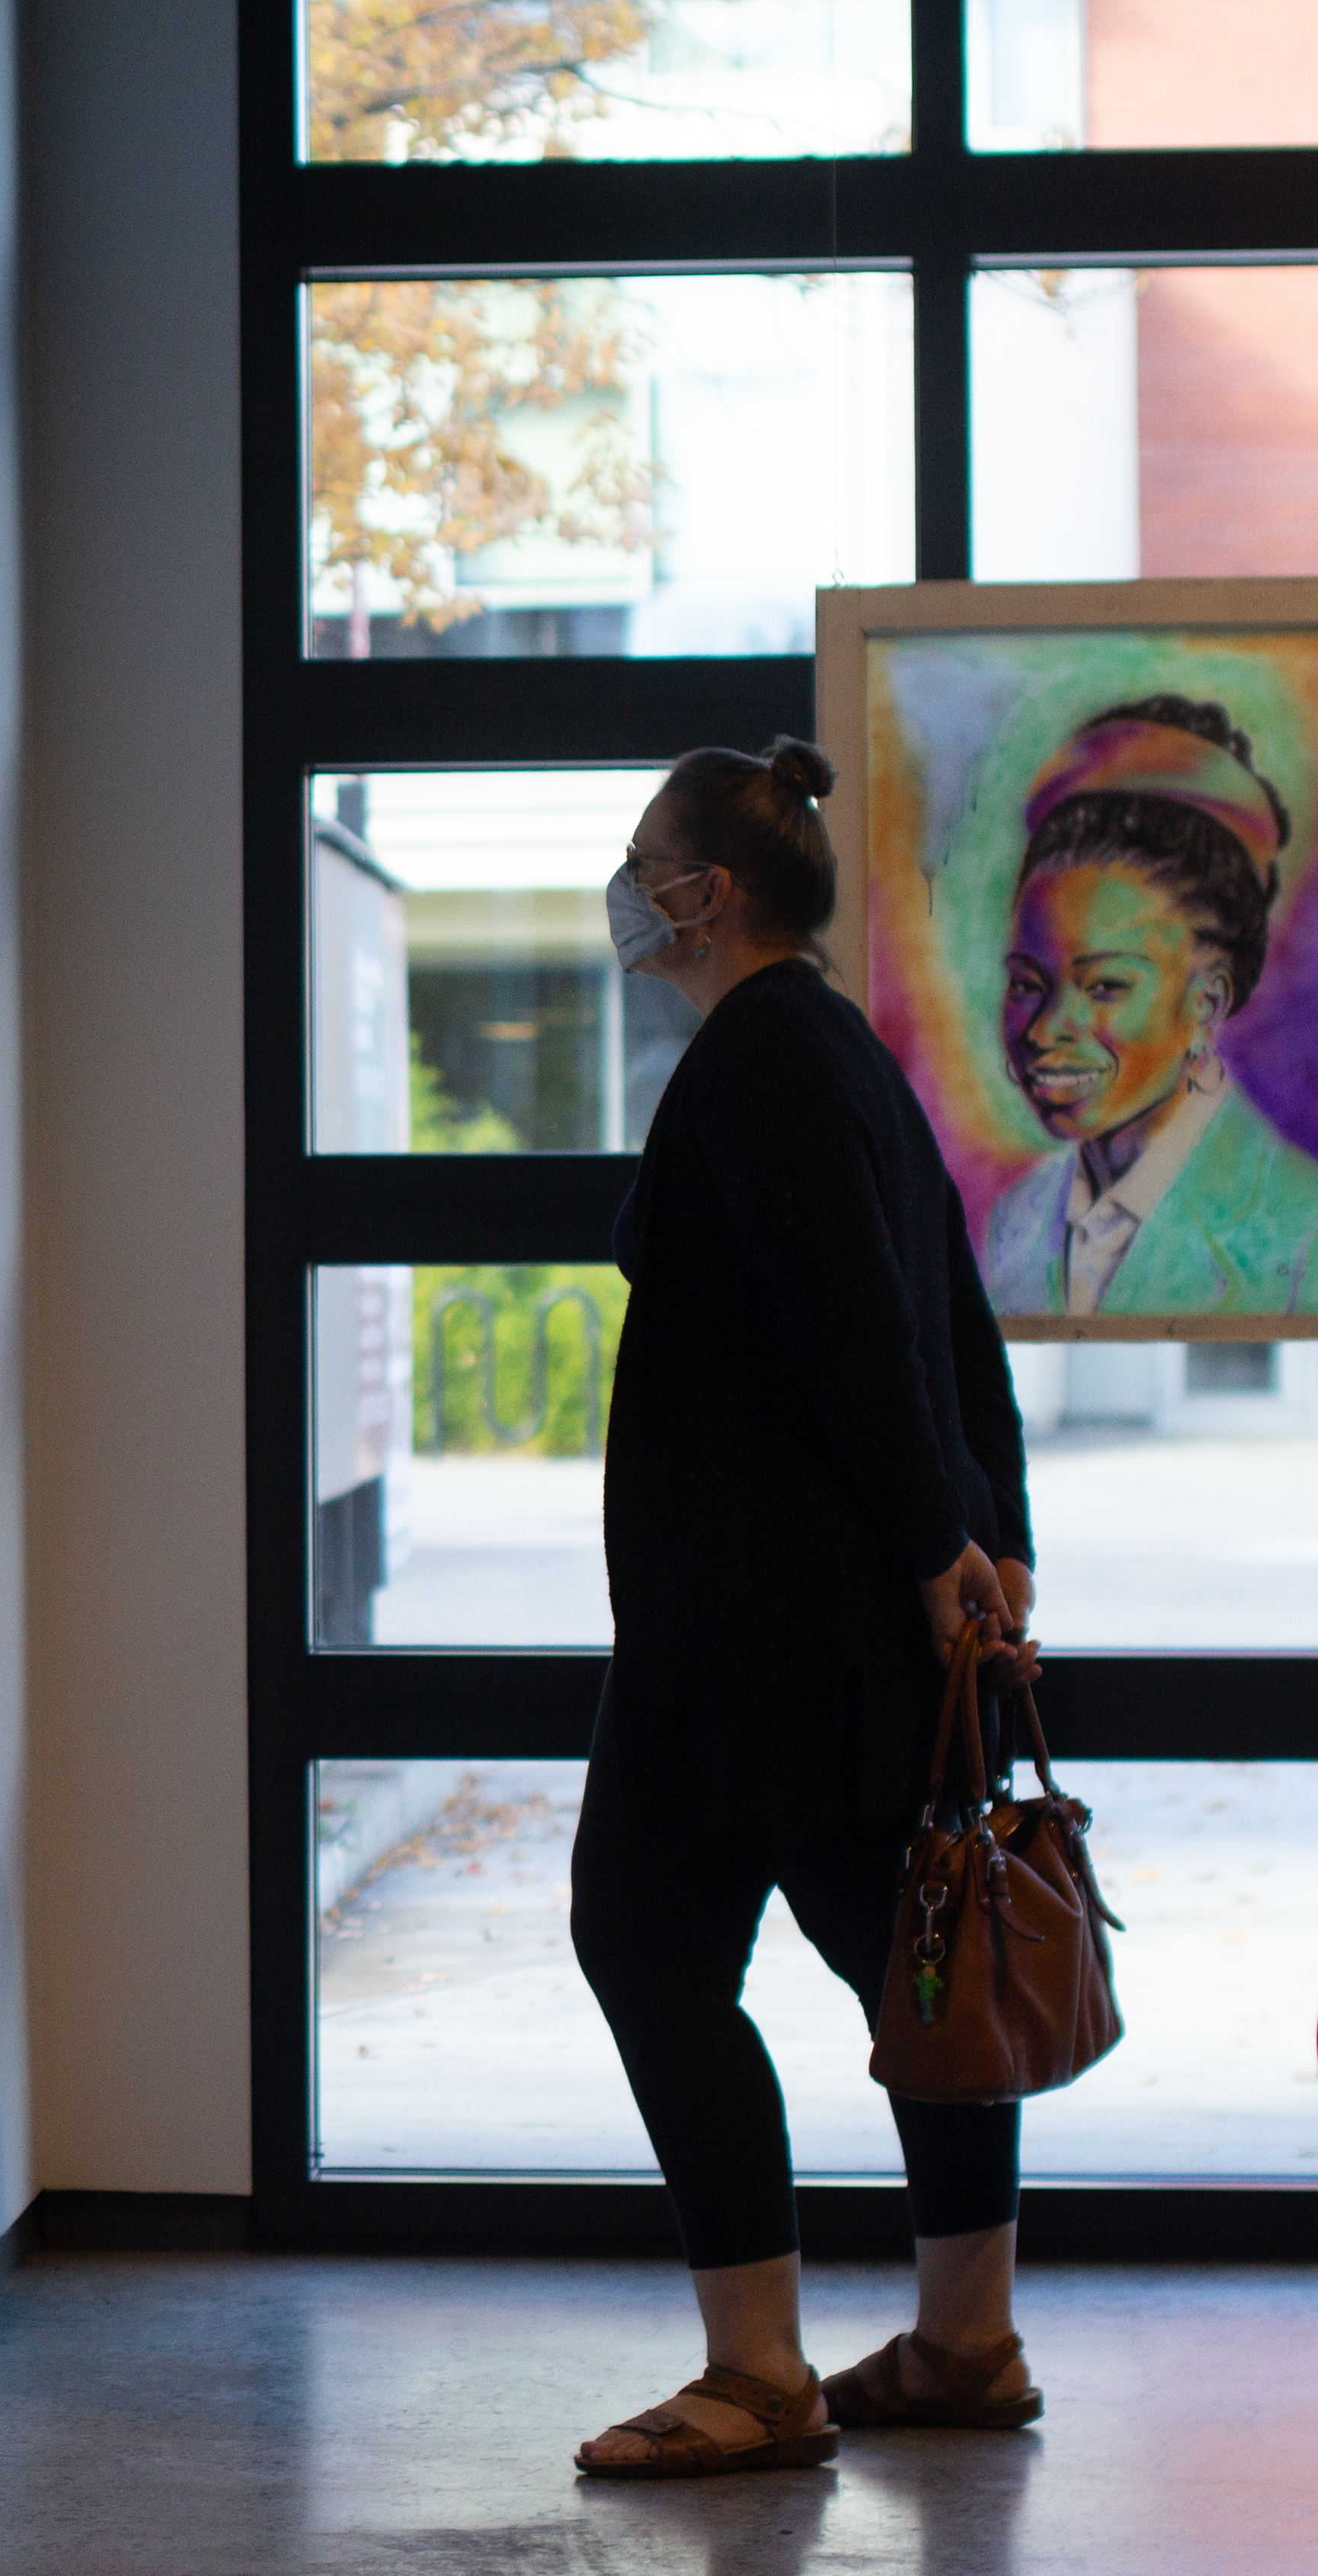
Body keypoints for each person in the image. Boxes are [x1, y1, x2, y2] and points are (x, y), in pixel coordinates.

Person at [570, 738, 1050, 2480]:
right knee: (911, 1967)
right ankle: (960, 2341)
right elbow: (949, 1322)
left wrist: (944, 1548)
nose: (626, 889)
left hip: (754, 1642)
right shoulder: (831, 1049)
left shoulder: (757, 1059)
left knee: (645, 1944)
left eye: (641, 861)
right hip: (844, 1636)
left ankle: (757, 2371)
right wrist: (979, 1544)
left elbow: (862, 1328)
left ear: (702, 890)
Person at [978, 694, 1318, 1318]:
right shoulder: (1012, 1225)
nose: (1047, 1028)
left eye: (1105, 986)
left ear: (1207, 1000)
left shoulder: (1302, 1233)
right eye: (1027, 983)